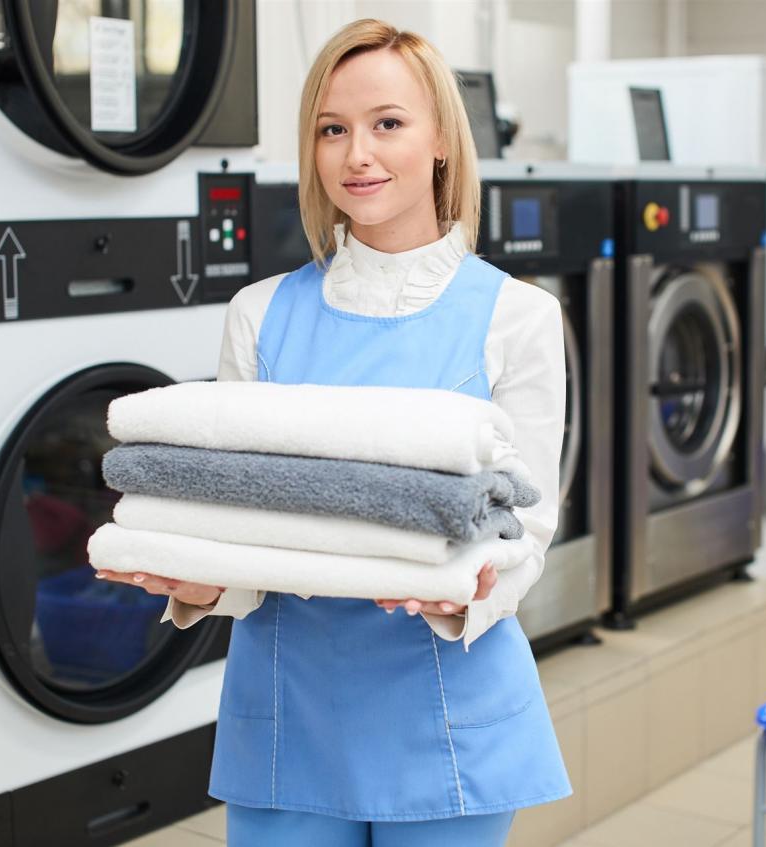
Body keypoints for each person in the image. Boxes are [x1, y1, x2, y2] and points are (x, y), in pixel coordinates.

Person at [96, 18, 569, 847]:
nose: (358, 154)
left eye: (388, 123)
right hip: (288, 708)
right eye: (332, 129)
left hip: (447, 705)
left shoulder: (518, 318)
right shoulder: (261, 314)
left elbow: (526, 524)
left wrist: (461, 592)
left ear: (442, 144)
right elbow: (228, 515)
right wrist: (197, 581)